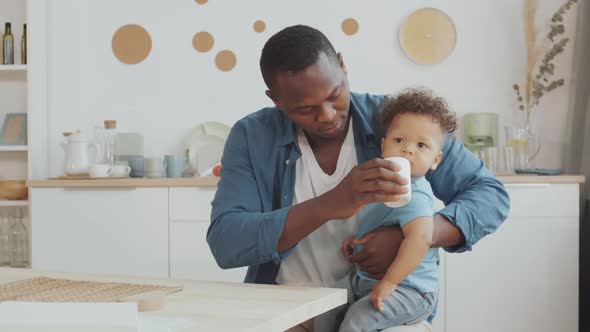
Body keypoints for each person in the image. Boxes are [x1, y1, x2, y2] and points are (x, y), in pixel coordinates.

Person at [207, 25, 510, 331]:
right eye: (306, 108)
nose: (326, 115)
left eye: (335, 94)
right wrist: (329, 205)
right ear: (277, 100)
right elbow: (225, 241)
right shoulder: (252, 136)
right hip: (291, 313)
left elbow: (489, 194)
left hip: (383, 308)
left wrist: (416, 235)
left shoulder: (398, 123)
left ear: (342, 64)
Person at [339, 89, 456, 331]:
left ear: (436, 159)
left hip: (410, 289)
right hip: (370, 281)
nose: (408, 150)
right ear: (384, 146)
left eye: (421, 145)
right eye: (399, 140)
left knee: (356, 321)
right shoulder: (381, 184)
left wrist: (390, 282)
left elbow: (421, 238)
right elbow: (381, 222)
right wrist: (357, 241)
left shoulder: (415, 195)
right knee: (328, 311)